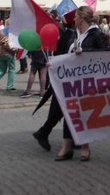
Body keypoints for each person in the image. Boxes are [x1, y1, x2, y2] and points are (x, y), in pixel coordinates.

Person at [54, 6, 110, 162]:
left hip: (88, 81)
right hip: (70, 81)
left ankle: (85, 146)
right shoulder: (73, 34)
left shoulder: (96, 34)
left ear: (82, 19)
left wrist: (86, 52)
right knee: (69, 112)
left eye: (76, 17)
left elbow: (106, 53)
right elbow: (63, 54)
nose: (73, 19)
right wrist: (53, 64)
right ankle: (67, 147)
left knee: (85, 112)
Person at [33, 14, 77, 152]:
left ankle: (45, 133)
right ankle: (44, 133)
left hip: (62, 77)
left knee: (64, 110)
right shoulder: (70, 37)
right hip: (64, 78)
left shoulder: (66, 35)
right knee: (63, 110)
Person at [0, 20, 17, 91]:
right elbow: (9, 43)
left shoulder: (0, 32)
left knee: (2, 69)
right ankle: (9, 86)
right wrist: (14, 50)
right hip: (9, 53)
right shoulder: (11, 32)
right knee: (11, 69)